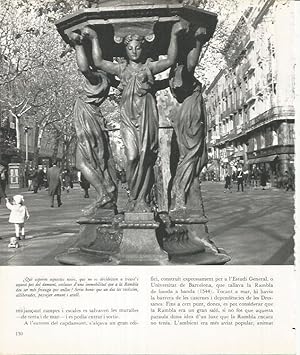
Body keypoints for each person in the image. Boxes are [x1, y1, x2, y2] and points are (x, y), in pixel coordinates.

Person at [81, 22, 186, 212]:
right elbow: (98, 63)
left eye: (137, 47)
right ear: (126, 50)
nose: (134, 51)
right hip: (128, 117)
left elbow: (170, 59)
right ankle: (133, 195)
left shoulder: (148, 68)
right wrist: (94, 39)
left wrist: (175, 35)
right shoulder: (122, 69)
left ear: (142, 48)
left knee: (146, 155)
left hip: (147, 115)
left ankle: (142, 200)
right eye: (130, 48)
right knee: (132, 156)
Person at [69, 31, 118, 215]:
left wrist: (78, 46)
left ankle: (104, 193)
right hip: (90, 119)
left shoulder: (98, 78)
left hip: (88, 121)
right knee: (93, 161)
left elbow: (84, 69)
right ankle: (106, 192)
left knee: (82, 163)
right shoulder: (106, 79)